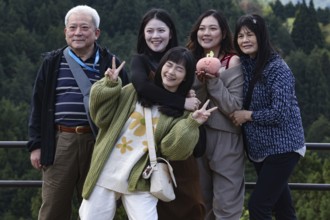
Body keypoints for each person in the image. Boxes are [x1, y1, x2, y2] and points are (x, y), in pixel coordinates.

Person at [79, 46, 217, 220]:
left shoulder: (183, 111)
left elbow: (171, 150)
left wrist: (191, 124)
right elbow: (101, 117)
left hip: (141, 177)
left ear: (186, 77)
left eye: (179, 69)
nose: (171, 72)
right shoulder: (133, 91)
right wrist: (109, 85)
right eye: (169, 65)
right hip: (107, 168)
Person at [26, 5, 129, 220]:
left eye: (84, 27)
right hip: (60, 141)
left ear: (96, 32)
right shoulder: (52, 63)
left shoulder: (112, 63)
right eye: (72, 28)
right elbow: (38, 104)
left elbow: (126, 107)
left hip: (99, 142)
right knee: (54, 205)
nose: (78, 33)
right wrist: (36, 145)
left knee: (95, 208)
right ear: (65, 32)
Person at [130, 8, 206, 219]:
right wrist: (183, 102)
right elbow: (143, 88)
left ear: (170, 32)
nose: (155, 36)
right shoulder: (141, 61)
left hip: (182, 153)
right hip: (151, 154)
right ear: (143, 34)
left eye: (161, 30)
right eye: (150, 31)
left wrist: (191, 109)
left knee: (191, 206)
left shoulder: (184, 58)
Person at [230, 14, 306, 220]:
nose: (245, 40)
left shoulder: (278, 68)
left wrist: (248, 115)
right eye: (240, 35)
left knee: (258, 206)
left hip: (283, 148)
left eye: (250, 35)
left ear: (261, 36)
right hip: (261, 150)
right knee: (283, 208)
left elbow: (279, 113)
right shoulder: (246, 63)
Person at [186, 9, 245, 220]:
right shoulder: (190, 60)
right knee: (201, 203)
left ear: (223, 33)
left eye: (212, 28)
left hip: (225, 136)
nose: (206, 33)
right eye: (202, 28)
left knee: (227, 205)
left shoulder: (233, 62)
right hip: (196, 137)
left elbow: (233, 106)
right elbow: (189, 101)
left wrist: (212, 79)